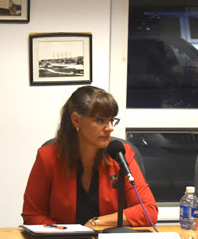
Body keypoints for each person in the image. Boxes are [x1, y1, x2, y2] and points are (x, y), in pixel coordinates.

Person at [22, 86, 158, 228]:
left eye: (112, 120)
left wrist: (95, 223)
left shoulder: (121, 154)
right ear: (76, 121)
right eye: (100, 120)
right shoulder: (48, 157)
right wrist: (66, 233)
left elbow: (149, 210)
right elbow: (32, 215)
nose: (110, 127)